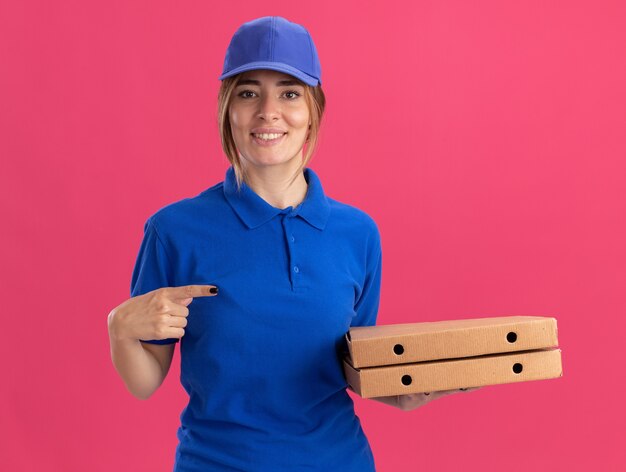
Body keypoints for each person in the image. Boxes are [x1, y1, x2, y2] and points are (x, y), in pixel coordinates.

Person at [107, 15, 478, 472]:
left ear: (313, 111)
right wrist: (120, 328)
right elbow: (144, 382)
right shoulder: (174, 230)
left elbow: (352, 365)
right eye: (248, 93)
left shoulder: (357, 233)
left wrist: (408, 390)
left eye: (289, 93)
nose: (268, 111)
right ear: (228, 108)